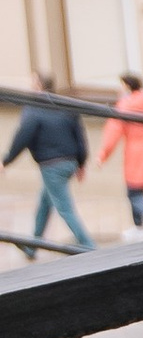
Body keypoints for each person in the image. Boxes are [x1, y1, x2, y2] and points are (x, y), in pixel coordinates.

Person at [7, 81, 92, 251]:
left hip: (52, 165)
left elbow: (23, 137)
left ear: (38, 86)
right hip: (69, 163)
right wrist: (81, 163)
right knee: (45, 203)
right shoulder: (65, 106)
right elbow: (80, 137)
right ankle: (33, 246)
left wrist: (6, 161)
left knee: (64, 208)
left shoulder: (34, 109)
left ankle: (88, 245)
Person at [99, 71, 143, 233]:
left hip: (134, 153)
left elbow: (112, 134)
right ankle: (138, 227)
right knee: (138, 190)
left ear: (126, 86)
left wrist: (102, 156)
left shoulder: (124, 106)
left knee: (133, 194)